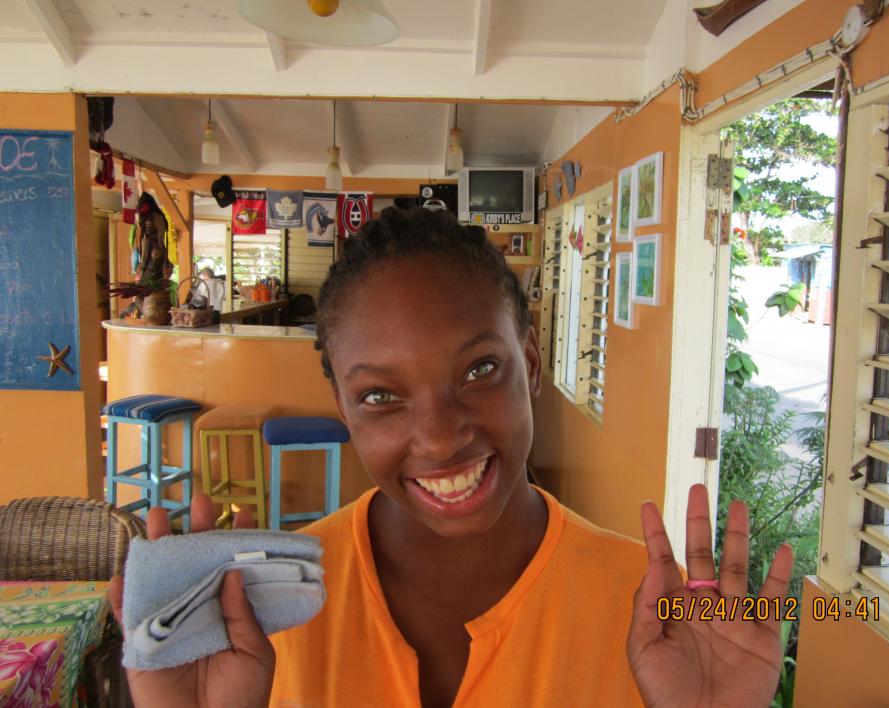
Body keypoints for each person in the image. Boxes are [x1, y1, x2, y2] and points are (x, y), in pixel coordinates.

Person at [110, 208, 794, 708]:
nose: (439, 438)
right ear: (344, 407)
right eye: (381, 396)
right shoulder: (262, 613)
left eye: (478, 370)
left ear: (531, 364)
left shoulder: (651, 610)